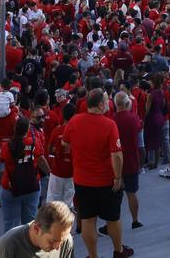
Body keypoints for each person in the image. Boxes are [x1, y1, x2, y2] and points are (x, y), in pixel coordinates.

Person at [60, 89, 129, 258]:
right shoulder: (109, 124)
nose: (108, 103)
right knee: (112, 218)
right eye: (106, 100)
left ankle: (92, 255)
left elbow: (64, 142)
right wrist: (118, 177)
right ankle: (118, 251)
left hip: (82, 180)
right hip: (106, 180)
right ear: (100, 104)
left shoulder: (75, 121)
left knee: (88, 219)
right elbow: (117, 155)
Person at [0, 114, 48, 232]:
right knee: (30, 223)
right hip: (31, 186)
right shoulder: (34, 143)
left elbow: (1, 159)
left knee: (10, 223)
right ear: (27, 130)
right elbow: (41, 160)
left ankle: (11, 249)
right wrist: (49, 173)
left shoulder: (7, 146)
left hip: (10, 187)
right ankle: (29, 248)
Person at [0, 199, 76, 258]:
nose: (58, 247)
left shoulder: (67, 240)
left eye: (62, 241)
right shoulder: (8, 246)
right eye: (52, 241)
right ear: (36, 229)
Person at [110, 91, 142, 230]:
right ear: (127, 103)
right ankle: (135, 220)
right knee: (132, 193)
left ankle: (112, 222)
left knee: (114, 197)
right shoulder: (133, 119)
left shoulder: (112, 121)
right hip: (131, 162)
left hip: (115, 165)